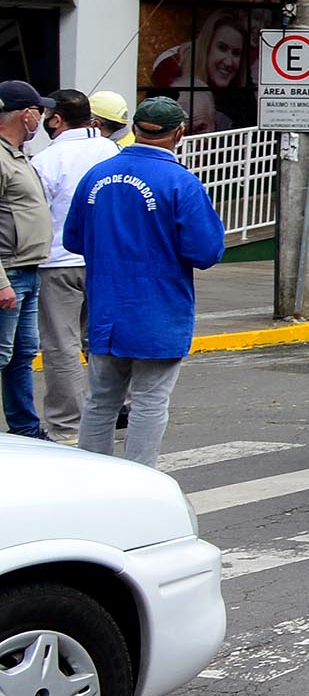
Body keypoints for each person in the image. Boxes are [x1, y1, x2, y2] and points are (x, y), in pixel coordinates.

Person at [64, 98, 225, 467]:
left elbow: (74, 239)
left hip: (106, 307)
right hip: (159, 308)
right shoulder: (181, 183)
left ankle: (89, 475)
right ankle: (139, 477)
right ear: (179, 133)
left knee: (101, 399)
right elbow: (206, 251)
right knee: (150, 400)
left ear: (135, 128)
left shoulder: (97, 175)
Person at [32, 90, 126, 443]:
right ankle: (114, 408)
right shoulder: (111, 152)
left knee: (61, 345)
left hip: (58, 261)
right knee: (102, 340)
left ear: (56, 119)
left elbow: (35, 212)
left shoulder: (47, 160)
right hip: (105, 261)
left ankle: (66, 426)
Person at [0, 79, 47, 437]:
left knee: (21, 355)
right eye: (38, 111)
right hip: (9, 275)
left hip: (28, 271)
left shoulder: (17, 155)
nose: (42, 119)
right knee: (2, 355)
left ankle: (25, 432)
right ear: (26, 114)